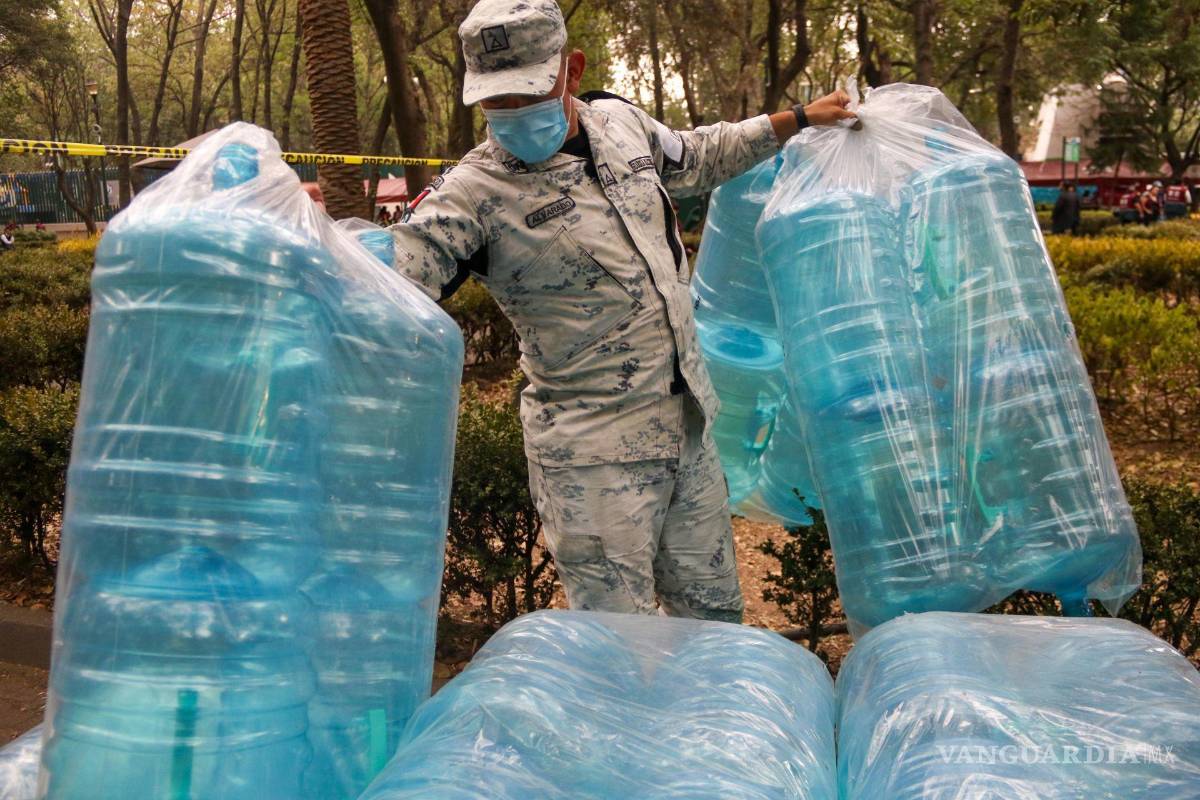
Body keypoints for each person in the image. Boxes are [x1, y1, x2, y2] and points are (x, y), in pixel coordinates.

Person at [387, 0, 855, 622]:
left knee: (712, 620)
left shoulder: (619, 123)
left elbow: (698, 156)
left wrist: (797, 119)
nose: (510, 113)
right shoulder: (471, 195)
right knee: (618, 647)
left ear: (570, 70)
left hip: (686, 426)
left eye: (526, 92)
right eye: (494, 100)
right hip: (593, 461)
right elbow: (387, 278)